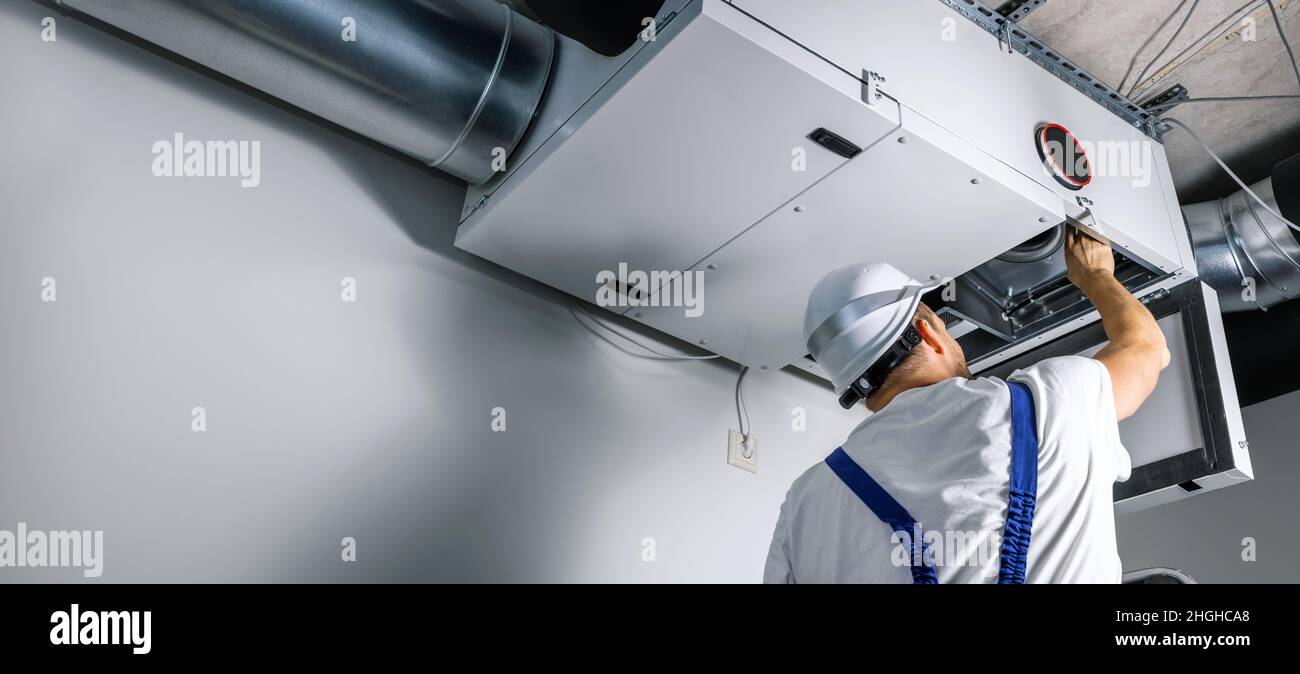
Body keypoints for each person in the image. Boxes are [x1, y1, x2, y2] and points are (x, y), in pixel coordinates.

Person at [764, 228, 1170, 583]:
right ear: (929, 332)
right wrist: (1095, 274)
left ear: (855, 387)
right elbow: (1146, 350)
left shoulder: (804, 502)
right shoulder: (1044, 402)